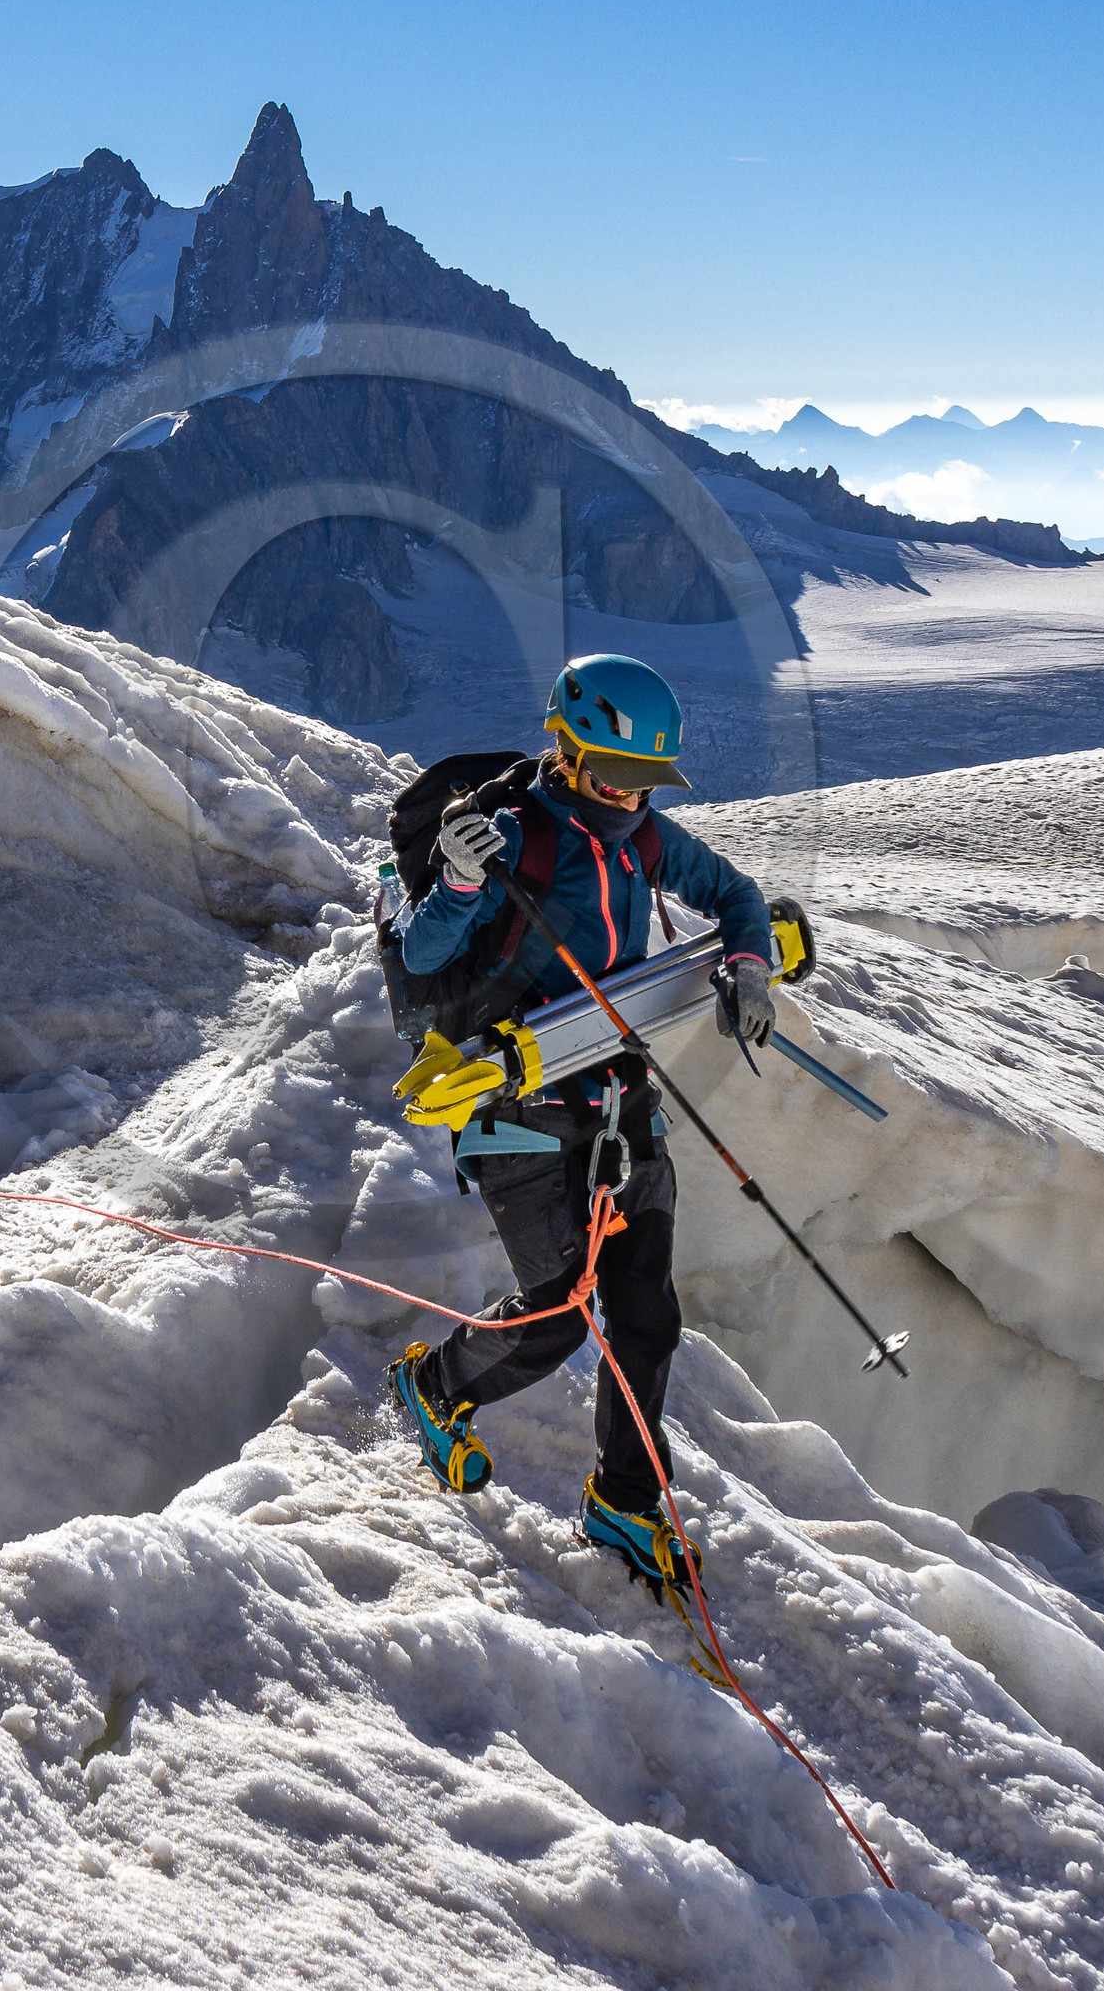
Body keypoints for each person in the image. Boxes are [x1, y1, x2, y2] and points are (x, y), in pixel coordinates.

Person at [388, 653, 775, 1597]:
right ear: (563, 752)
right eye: (612, 777)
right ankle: (433, 1386)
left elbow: (736, 897)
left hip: (617, 1093)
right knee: (559, 1311)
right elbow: (423, 955)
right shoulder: (511, 838)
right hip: (512, 1106)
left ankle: (624, 1501)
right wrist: (461, 883)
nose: (628, 798)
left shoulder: (646, 838)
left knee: (646, 1312)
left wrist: (749, 965)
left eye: (644, 782)